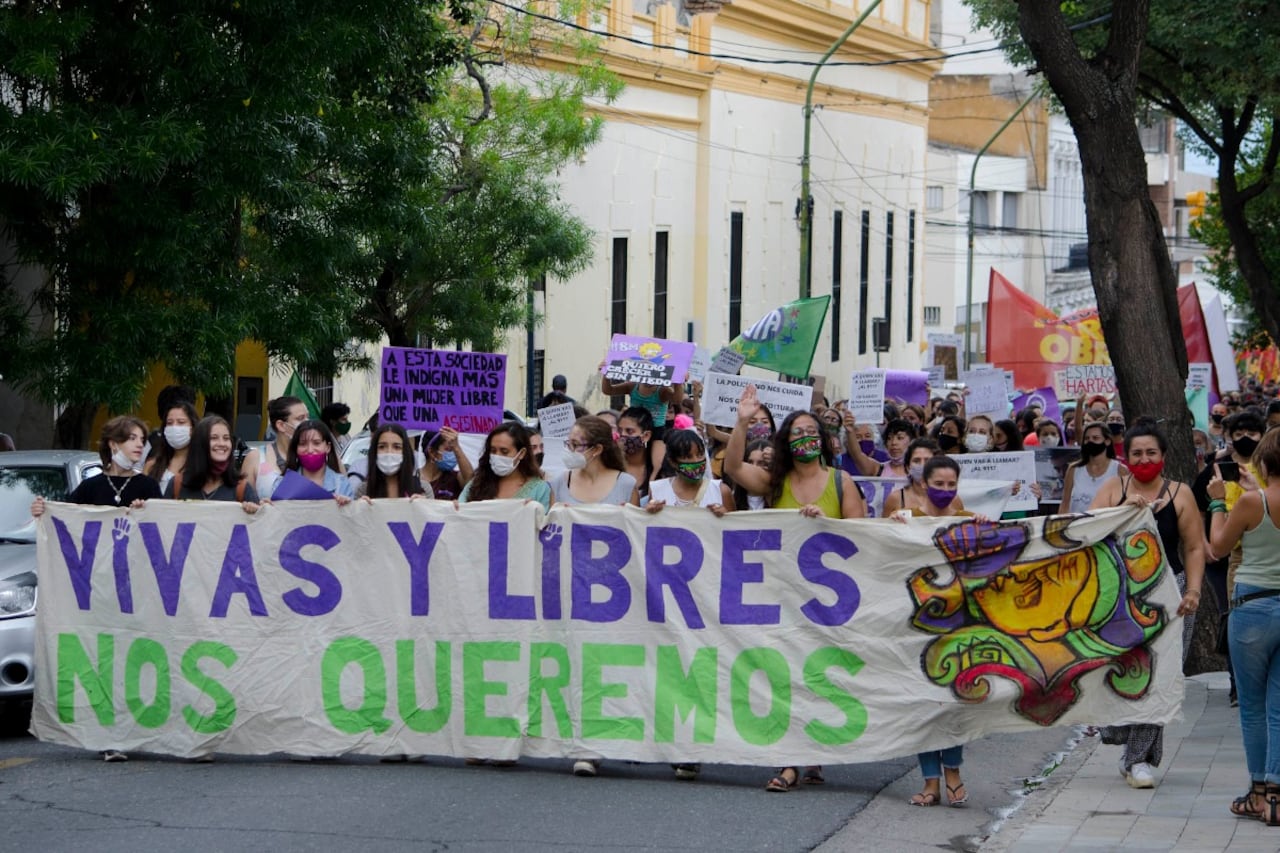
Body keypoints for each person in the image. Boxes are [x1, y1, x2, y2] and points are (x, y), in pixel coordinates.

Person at [722, 385, 864, 792]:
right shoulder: (773, 482)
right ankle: (791, 761)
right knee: (785, 675)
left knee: (815, 676)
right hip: (782, 596)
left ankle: (810, 749)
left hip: (828, 602)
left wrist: (826, 523)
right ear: (785, 443)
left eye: (810, 431)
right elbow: (734, 468)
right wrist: (743, 420)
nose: (804, 438)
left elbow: (864, 538)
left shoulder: (842, 483)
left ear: (823, 439)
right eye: (795, 433)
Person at [30, 415, 162, 762]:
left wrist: (148, 513)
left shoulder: (148, 488)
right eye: (132, 438)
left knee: (136, 659)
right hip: (99, 593)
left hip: (138, 593)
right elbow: (63, 523)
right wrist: (43, 510)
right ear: (113, 444)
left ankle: (141, 731)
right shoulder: (90, 488)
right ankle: (110, 736)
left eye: (142, 439)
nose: (139, 445)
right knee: (107, 660)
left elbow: (162, 533)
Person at [1089, 419, 1205, 789]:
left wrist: (1194, 591)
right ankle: (1120, 733)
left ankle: (1139, 760)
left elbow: (1192, 547)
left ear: (1163, 457)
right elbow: (1085, 532)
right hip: (1120, 598)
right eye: (1137, 453)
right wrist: (1123, 510)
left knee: (1162, 678)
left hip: (1172, 595)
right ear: (1125, 456)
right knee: (1123, 673)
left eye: (1151, 452)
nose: (1144, 459)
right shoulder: (1112, 489)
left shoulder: (1180, 493)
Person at [894, 455, 979, 806]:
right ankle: (930, 782)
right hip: (914, 622)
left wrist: (985, 526)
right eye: (939, 484)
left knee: (952, 702)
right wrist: (892, 525)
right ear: (923, 483)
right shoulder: (905, 519)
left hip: (958, 623)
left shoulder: (966, 521)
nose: (945, 490)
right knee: (923, 704)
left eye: (951, 485)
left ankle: (954, 772)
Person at [1206, 427, 1280, 823]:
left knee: (1251, 706)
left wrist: (1219, 505)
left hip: (1252, 606)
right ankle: (1277, 795)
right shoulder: (1258, 497)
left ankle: (1256, 792)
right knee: (1279, 706)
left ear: (1264, 463)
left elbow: (1217, 547)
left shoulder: (1251, 503)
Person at [162, 414, 261, 513]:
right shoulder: (177, 484)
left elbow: (261, 522)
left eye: (226, 438)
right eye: (214, 438)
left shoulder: (242, 488)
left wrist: (260, 510)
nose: (222, 444)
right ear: (200, 444)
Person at [601, 364, 682, 473]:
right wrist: (606, 373)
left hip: (656, 431)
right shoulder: (632, 386)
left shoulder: (662, 390)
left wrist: (678, 381)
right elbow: (608, 390)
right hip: (634, 429)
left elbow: (677, 400)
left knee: (657, 464)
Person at [549, 415, 639, 510]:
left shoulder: (626, 484)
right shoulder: (559, 483)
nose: (569, 449)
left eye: (575, 444)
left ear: (597, 449)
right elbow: (551, 522)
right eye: (568, 443)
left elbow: (635, 523)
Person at [458, 421, 551, 511]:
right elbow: (460, 516)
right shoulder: (476, 484)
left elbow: (543, 523)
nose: (497, 456)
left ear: (521, 453)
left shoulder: (540, 489)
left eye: (504, 451)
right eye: (493, 451)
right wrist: (455, 509)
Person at [262, 419, 354, 503]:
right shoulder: (282, 484)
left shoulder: (341, 484)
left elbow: (349, 518)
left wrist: (347, 506)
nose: (310, 450)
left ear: (328, 447)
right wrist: (265, 507)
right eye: (302, 444)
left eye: (316, 443)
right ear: (296, 448)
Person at [647, 428, 732, 516]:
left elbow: (734, 526)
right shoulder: (658, 490)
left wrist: (725, 516)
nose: (695, 461)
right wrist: (649, 514)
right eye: (688, 457)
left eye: (700, 455)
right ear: (673, 462)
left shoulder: (721, 491)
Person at [241, 396, 309, 494]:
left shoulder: (315, 454)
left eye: (307, 417)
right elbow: (244, 502)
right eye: (300, 418)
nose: (307, 422)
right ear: (281, 425)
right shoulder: (256, 458)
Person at [1059, 422, 1121, 514]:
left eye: (1095, 438)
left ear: (1107, 441)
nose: (1090, 441)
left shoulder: (1119, 470)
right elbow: (1065, 504)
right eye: (1087, 439)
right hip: (1076, 525)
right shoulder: (1073, 469)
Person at [357, 424, 428, 499]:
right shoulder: (363, 490)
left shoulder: (424, 489)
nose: (389, 452)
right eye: (382, 447)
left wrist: (424, 506)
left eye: (397, 447)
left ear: (405, 452)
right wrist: (360, 508)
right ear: (374, 452)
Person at [145, 399, 199, 495]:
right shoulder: (151, 466)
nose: (174, 427)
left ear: (193, 427)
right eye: (169, 423)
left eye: (181, 422)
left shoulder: (202, 465)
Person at [881, 438, 944, 517]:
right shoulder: (895, 499)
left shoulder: (952, 499)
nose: (922, 465)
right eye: (916, 461)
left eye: (928, 460)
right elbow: (884, 528)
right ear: (908, 467)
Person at [418, 427, 473, 500]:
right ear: (431, 452)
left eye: (453, 450)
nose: (452, 454)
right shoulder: (413, 479)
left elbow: (469, 481)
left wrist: (456, 448)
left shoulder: (454, 478)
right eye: (448, 450)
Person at [617, 406, 656, 503]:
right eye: (620, 430)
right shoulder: (610, 466)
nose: (623, 435)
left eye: (629, 431)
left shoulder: (656, 469)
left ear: (646, 436)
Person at [729, 439, 773, 511]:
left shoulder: (780, 496)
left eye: (761, 463)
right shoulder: (732, 497)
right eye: (750, 462)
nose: (754, 467)